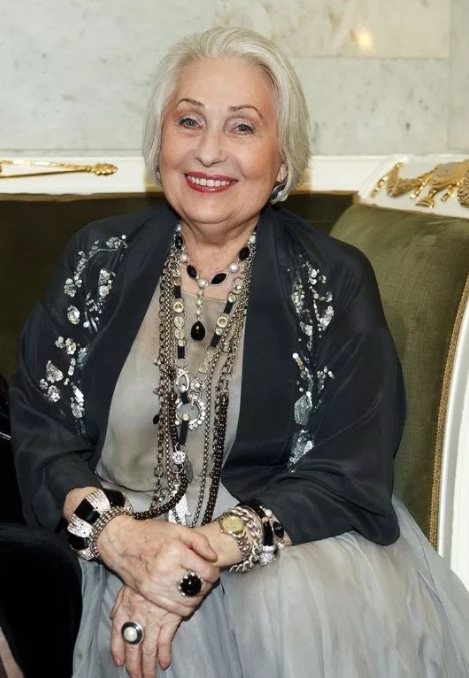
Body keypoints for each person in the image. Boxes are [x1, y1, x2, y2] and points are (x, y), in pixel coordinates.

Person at [8, 25, 469, 678]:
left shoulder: (332, 279)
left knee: (274, 598)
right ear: (159, 143)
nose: (209, 151)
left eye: (243, 127)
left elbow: (350, 466)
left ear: (283, 160)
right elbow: (40, 426)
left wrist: (192, 565)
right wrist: (121, 540)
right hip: (109, 544)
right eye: (189, 121)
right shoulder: (97, 258)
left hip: (281, 557)